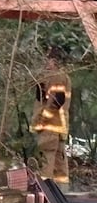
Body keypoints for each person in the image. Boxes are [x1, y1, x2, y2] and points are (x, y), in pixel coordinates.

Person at [30, 49, 72, 191]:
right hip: (58, 127)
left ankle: (46, 193)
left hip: (49, 127)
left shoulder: (56, 77)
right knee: (59, 164)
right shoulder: (63, 77)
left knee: (46, 161)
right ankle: (62, 194)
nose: (45, 63)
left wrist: (42, 121)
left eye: (47, 60)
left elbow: (55, 102)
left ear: (54, 61)